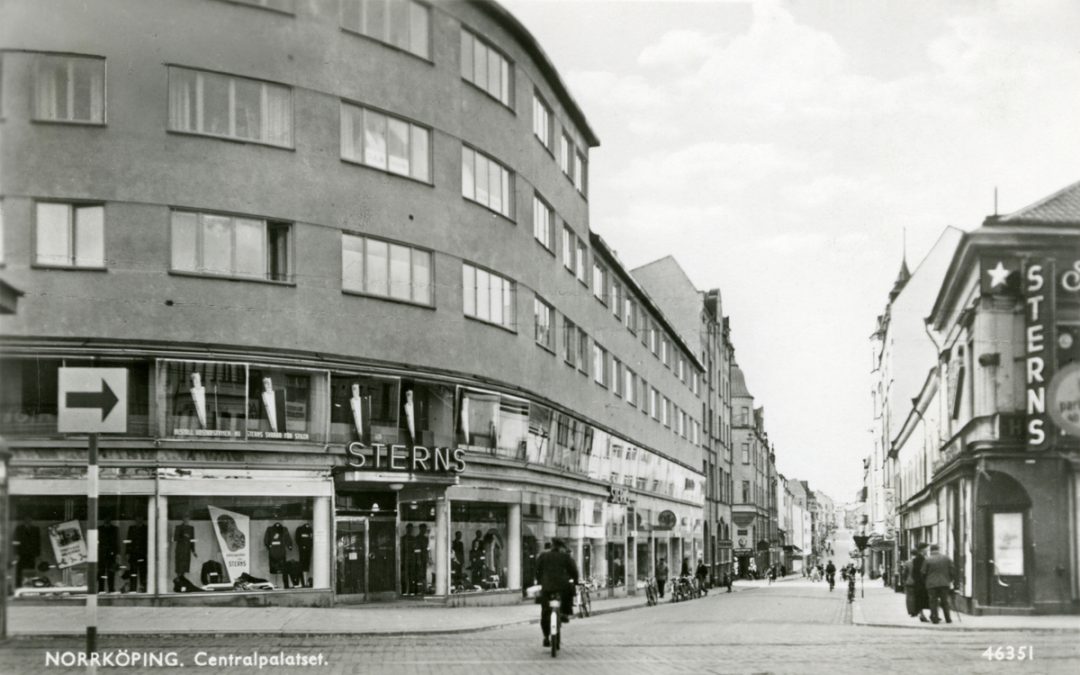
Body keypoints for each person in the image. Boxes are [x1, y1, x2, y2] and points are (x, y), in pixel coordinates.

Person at [535, 538, 579, 648]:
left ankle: (546, 637)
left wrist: (540, 581)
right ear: (561, 547)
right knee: (568, 596)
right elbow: (574, 571)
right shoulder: (566, 557)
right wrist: (576, 581)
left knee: (545, 611)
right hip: (562, 588)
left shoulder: (543, 556)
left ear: (552, 546)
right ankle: (565, 614)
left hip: (547, 588)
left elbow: (537, 570)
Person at [923, 544, 955, 624]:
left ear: (931, 550)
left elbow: (923, 572)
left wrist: (925, 581)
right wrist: (950, 580)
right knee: (945, 601)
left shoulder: (927, 560)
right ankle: (948, 618)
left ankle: (935, 618)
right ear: (938, 549)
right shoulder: (946, 558)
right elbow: (952, 570)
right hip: (944, 583)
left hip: (931, 584)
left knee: (933, 601)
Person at [904, 544, 930, 623]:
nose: (927, 551)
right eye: (926, 549)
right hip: (920, 582)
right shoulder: (923, 560)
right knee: (922, 598)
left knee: (911, 597)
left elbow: (905, 573)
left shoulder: (908, 562)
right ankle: (921, 613)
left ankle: (913, 611)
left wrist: (905, 580)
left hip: (910, 582)